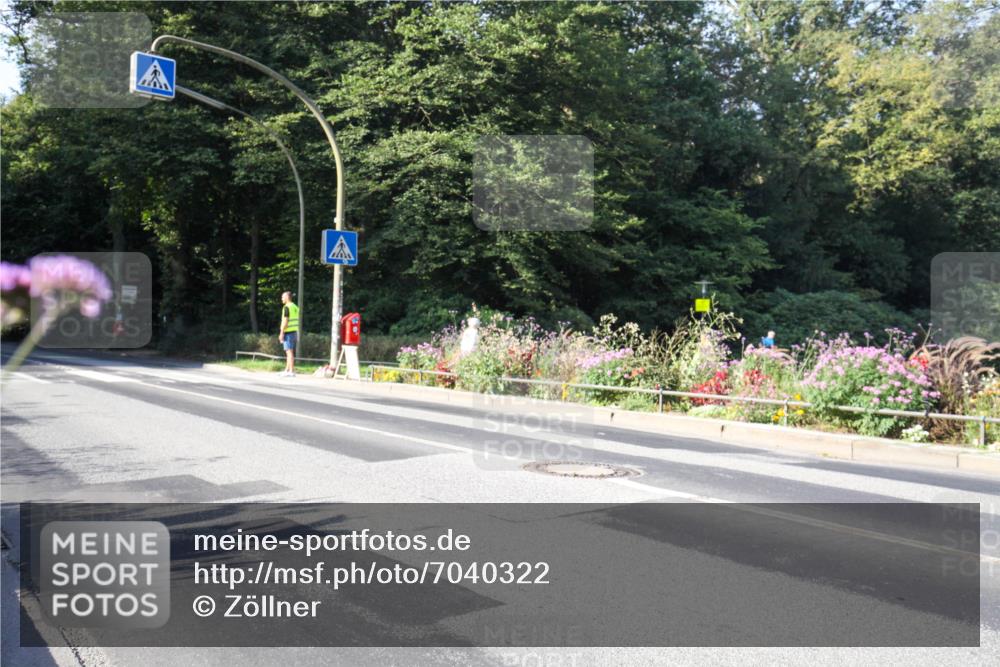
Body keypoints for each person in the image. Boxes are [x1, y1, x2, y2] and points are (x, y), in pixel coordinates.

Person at [278, 291, 299, 377]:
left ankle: (291, 371)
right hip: (294, 331)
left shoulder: (286, 307)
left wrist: (281, 333)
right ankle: (287, 370)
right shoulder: (295, 306)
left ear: (287, 297)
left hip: (288, 331)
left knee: (289, 352)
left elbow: (285, 321)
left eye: (283, 297)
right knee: (289, 351)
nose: (281, 299)